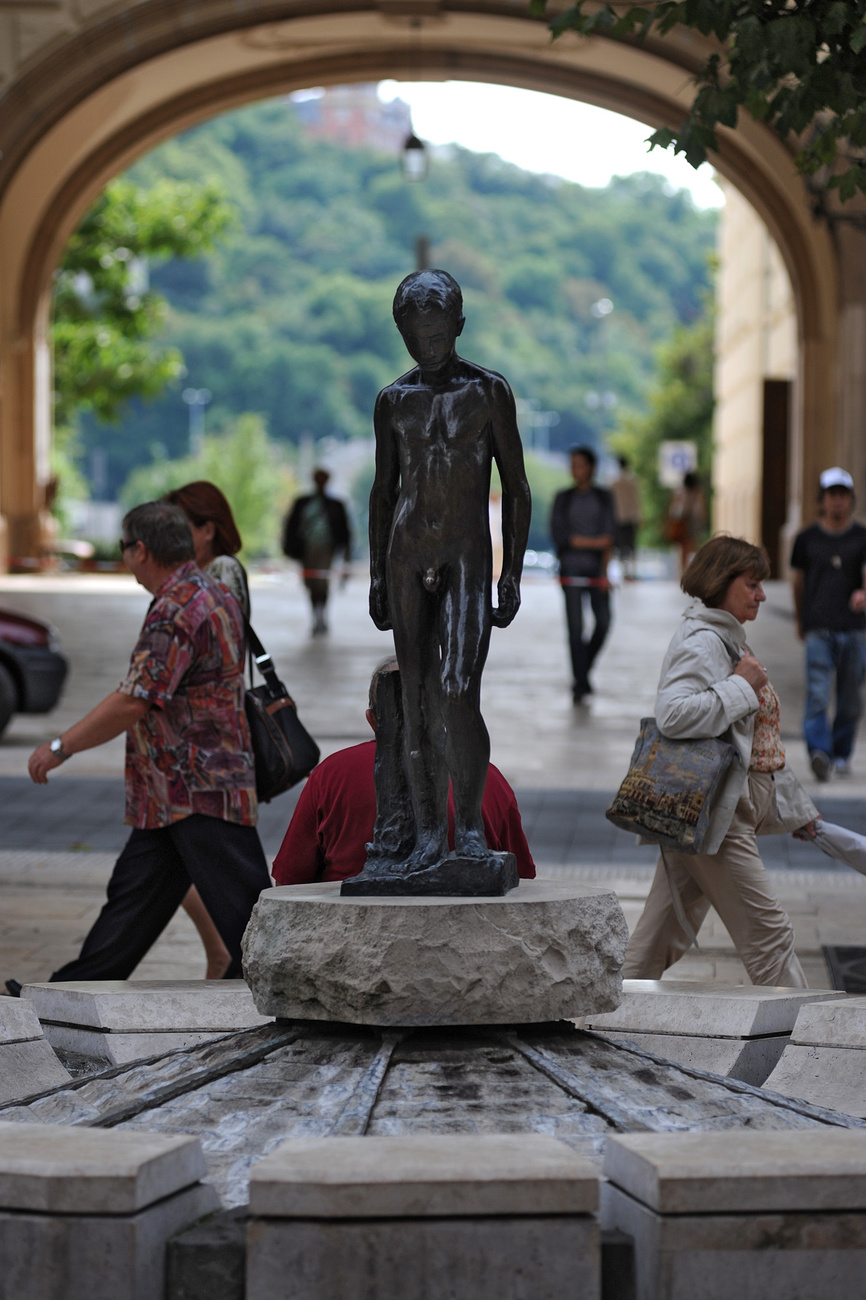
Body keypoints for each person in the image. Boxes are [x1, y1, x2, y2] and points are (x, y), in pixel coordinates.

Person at [22, 501, 271, 984]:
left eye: (124, 549)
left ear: (140, 550)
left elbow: (135, 699)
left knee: (252, 926)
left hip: (197, 790)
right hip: (177, 793)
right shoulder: (211, 591)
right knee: (131, 906)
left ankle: (286, 997)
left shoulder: (176, 609)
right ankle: (69, 993)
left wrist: (59, 747)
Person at [367, 269, 531, 879]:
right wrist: (378, 576)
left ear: (458, 327)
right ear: (402, 332)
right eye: (416, 335)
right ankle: (427, 836)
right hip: (407, 552)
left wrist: (511, 571)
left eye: (438, 333)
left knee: (458, 692)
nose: (428, 345)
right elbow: (383, 493)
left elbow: (516, 489)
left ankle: (469, 830)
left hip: (466, 554)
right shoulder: (393, 401)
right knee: (411, 699)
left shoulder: (489, 393)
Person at [624, 535, 814, 988]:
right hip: (714, 820)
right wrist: (741, 686)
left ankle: (601, 1017)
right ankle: (809, 1045)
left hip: (707, 811)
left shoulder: (727, 638)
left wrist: (799, 809)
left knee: (657, 938)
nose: (762, 594)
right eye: (752, 584)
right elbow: (673, 715)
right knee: (769, 937)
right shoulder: (702, 642)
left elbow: (759, 740)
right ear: (721, 583)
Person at [273, 659, 535, 885]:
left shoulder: (330, 775)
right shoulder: (487, 778)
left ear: (372, 719)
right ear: (442, 716)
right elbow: (520, 880)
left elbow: (289, 879)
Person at [165, 480, 251, 977]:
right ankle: (225, 953)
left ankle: (231, 954)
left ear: (207, 529)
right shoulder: (197, 574)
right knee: (173, 863)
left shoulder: (219, 572)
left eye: (181, 527)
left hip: (210, 748)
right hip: (196, 748)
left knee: (212, 866)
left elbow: (221, 654)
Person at [790, 467, 866, 782]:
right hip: (819, 626)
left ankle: (841, 751)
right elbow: (798, 581)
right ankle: (819, 752)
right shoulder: (806, 538)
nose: (837, 501)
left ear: (851, 500)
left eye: (843, 495)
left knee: (850, 697)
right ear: (822, 500)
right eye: (832, 495)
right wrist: (800, 618)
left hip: (854, 627)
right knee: (819, 692)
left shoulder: (862, 536)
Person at [550, 445, 615, 703]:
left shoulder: (603, 498)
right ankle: (580, 683)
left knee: (604, 622)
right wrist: (593, 542)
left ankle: (582, 671)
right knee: (575, 628)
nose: (574, 469)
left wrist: (603, 568)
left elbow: (609, 538)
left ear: (591, 467)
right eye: (572, 464)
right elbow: (563, 538)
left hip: (597, 571)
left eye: (579, 464)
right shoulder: (563, 498)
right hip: (571, 570)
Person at [282, 468, 351, 635]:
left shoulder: (335, 505)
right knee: (311, 584)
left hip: (326, 549)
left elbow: (345, 531)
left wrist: (346, 553)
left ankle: (321, 616)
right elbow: (291, 527)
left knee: (321, 583)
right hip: (307, 550)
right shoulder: (303, 503)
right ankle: (316, 616)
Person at [166, 480, 249, 617]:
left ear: (208, 531)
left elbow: (224, 630)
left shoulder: (223, 567)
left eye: (178, 527)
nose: (171, 535)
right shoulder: (194, 570)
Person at [665, 471, 705, 573]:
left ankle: (683, 570)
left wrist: (669, 520)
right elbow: (701, 508)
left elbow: (674, 506)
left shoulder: (680, 491)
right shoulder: (698, 492)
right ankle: (689, 569)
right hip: (694, 520)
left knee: (683, 548)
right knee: (691, 545)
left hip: (682, 519)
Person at [610, 455, 641, 580]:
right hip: (629, 517)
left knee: (622, 546)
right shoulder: (632, 480)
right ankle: (629, 571)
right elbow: (636, 500)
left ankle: (626, 571)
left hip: (619, 517)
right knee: (630, 546)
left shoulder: (613, 482)